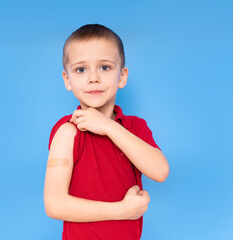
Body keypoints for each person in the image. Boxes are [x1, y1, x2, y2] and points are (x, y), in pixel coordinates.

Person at [44, 24, 169, 240]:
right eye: (81, 69)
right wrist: (122, 210)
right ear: (67, 80)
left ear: (122, 76)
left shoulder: (134, 128)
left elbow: (160, 171)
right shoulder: (68, 132)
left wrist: (109, 126)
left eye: (105, 67)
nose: (94, 78)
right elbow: (54, 204)